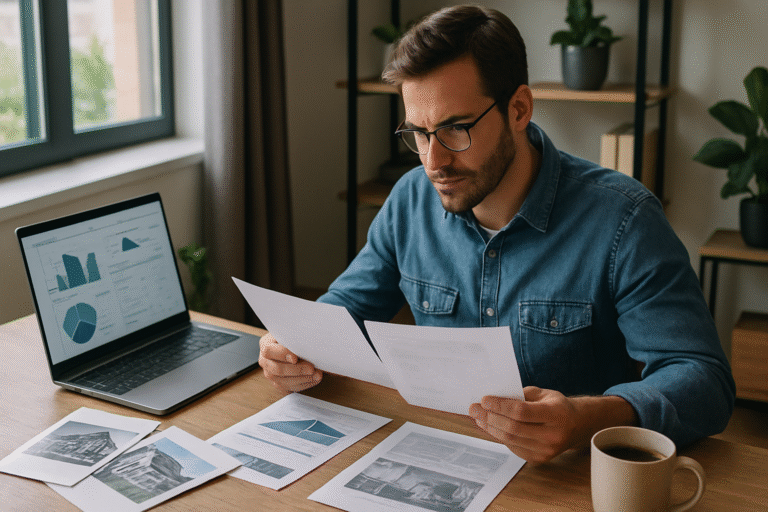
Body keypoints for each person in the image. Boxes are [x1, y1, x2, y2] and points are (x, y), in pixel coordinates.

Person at [259, 5, 735, 463]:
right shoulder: (408, 201)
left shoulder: (624, 221)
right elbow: (345, 311)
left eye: (455, 129)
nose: (433, 161)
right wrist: (293, 346)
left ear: (520, 109)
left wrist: (587, 419)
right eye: (419, 133)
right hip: (441, 461)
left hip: (570, 481)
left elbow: (703, 382)